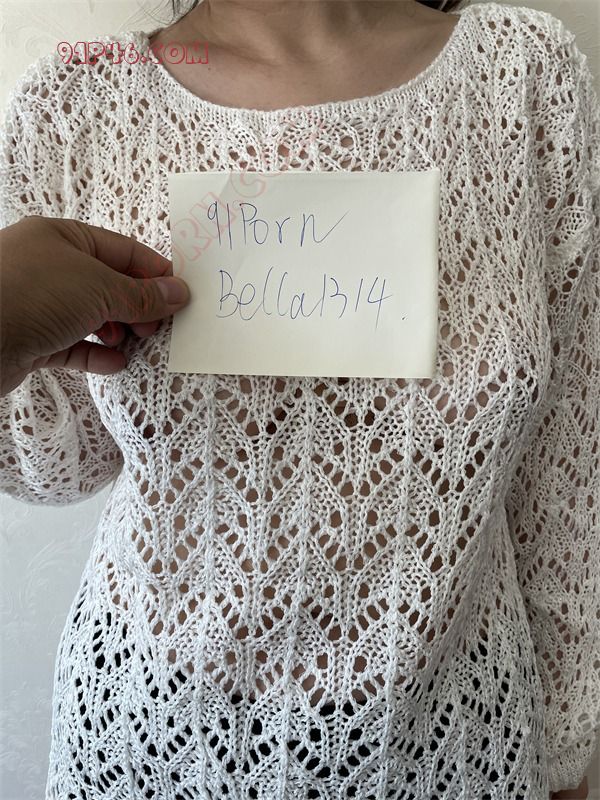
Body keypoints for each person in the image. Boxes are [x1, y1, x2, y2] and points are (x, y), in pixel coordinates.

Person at [0, 0, 597, 797]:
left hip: (454, 734)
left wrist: (567, 748)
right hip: (150, 736)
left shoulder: (523, 73)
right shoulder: (77, 102)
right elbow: (52, 464)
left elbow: (569, 476)